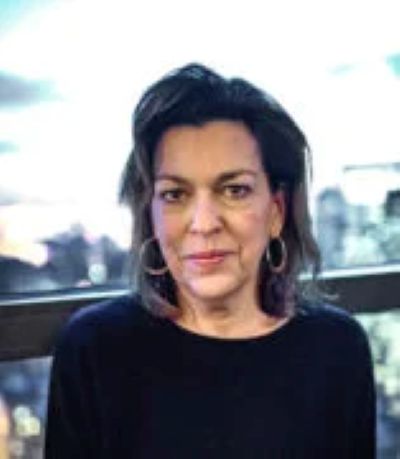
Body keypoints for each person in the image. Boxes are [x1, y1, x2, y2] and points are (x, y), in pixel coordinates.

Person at [45, 63, 376, 458]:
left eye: (234, 190)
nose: (203, 223)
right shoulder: (95, 349)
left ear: (276, 210)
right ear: (149, 212)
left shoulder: (338, 348)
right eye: (174, 194)